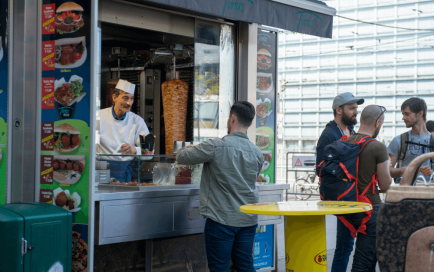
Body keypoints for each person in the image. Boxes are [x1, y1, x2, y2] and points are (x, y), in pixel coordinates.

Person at [176, 101, 263, 272]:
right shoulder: (257, 152)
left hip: (221, 220)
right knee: (245, 266)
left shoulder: (216, 145)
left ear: (232, 118)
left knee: (219, 268)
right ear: (250, 123)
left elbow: (182, 157)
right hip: (248, 219)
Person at [315, 92, 364, 272]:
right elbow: (321, 168)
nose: (355, 113)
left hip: (350, 194)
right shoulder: (329, 134)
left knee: (347, 245)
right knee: (344, 245)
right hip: (340, 195)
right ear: (338, 110)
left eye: (356, 109)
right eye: (351, 109)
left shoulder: (351, 132)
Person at [347, 105, 392, 271]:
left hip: (345, 206)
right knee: (365, 261)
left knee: (344, 251)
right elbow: (386, 185)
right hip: (368, 209)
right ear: (378, 122)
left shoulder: (345, 141)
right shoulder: (377, 147)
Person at [96, 79, 150, 183]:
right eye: (125, 98)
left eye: (132, 98)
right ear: (114, 97)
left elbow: (150, 153)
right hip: (100, 170)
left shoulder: (137, 121)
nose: (129, 103)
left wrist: (135, 150)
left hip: (123, 173)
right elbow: (87, 143)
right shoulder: (98, 116)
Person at [388, 97, 433, 184]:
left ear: (420, 113)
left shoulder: (432, 140)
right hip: (403, 193)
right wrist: (404, 170)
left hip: (427, 192)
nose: (403, 118)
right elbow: (387, 171)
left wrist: (431, 173)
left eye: (407, 114)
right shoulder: (399, 140)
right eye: (403, 114)